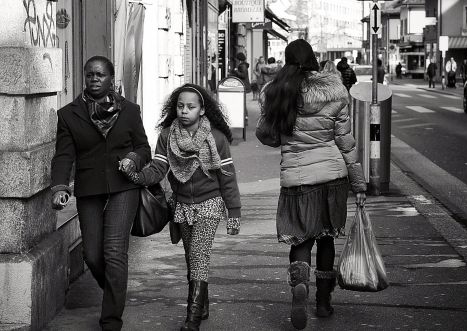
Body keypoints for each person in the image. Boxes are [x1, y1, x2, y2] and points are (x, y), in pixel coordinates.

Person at [256, 39, 367, 330]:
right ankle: (323, 302)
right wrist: (359, 183)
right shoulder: (334, 91)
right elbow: (345, 141)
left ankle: (299, 285)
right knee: (326, 238)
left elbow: (266, 136)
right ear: (314, 61)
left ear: (287, 61)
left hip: (296, 178)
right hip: (332, 177)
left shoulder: (279, 92)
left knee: (300, 239)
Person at [121, 83, 241, 331]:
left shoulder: (216, 138)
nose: (184, 111)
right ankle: (203, 303)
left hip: (210, 203)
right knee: (191, 257)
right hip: (182, 205)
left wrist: (234, 213)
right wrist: (138, 176)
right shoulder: (167, 136)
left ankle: (192, 318)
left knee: (198, 255)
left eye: (191, 107)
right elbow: (158, 168)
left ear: (202, 110)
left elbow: (227, 177)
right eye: (180, 106)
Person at [50, 56, 151, 331]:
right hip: (89, 188)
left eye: (100, 75)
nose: (94, 79)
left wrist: (133, 158)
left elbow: (144, 148)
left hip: (123, 186)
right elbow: (63, 156)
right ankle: (115, 291)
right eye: (90, 75)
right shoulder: (69, 114)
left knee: (115, 252)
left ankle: (111, 321)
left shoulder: (130, 110)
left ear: (111, 78)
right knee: (93, 256)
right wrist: (60, 187)